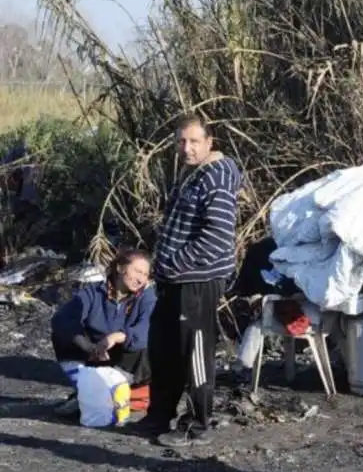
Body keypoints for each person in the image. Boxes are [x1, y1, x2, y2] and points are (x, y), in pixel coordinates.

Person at [143, 114, 241, 447]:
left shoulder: (216, 178)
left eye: (194, 141)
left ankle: (196, 425)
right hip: (175, 280)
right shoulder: (191, 174)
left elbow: (216, 237)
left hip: (197, 281)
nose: (187, 148)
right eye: (181, 141)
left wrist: (174, 264)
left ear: (209, 143)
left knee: (195, 353)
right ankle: (159, 415)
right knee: (163, 347)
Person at [50, 247, 155, 416]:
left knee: (144, 343)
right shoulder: (93, 292)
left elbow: (145, 330)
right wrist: (88, 347)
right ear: (120, 268)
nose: (141, 279)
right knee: (63, 332)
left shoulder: (147, 297)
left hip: (126, 364)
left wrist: (117, 337)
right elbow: (62, 319)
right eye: (137, 271)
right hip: (96, 357)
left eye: (145, 274)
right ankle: (86, 388)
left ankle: (102, 392)